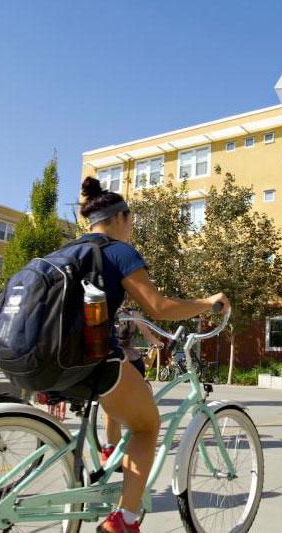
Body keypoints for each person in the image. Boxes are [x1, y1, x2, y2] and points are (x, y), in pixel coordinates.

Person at [73, 176, 229, 533]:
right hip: (93, 359)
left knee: (120, 404)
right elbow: (158, 306)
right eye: (131, 220)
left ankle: (107, 456)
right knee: (147, 425)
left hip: (52, 359)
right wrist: (208, 302)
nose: (131, 227)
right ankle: (124, 521)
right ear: (120, 217)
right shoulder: (117, 251)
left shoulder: (70, 250)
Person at [99, 302, 161, 465]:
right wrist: (159, 343)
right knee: (140, 402)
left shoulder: (110, 308)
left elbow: (146, 332)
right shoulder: (132, 313)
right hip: (127, 362)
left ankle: (112, 449)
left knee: (111, 406)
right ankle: (132, 438)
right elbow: (147, 334)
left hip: (114, 361)